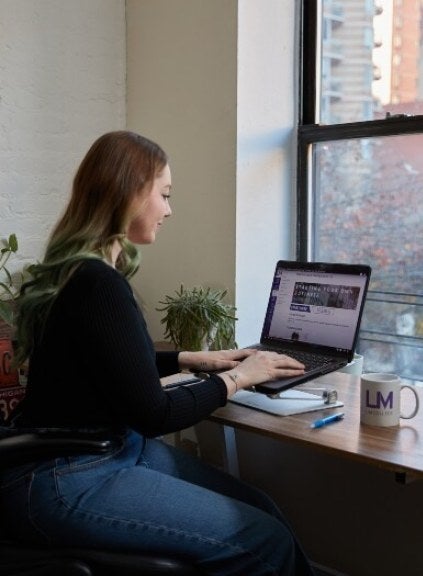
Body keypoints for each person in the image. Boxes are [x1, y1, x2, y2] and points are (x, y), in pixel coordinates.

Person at [0, 131, 315, 576]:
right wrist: (238, 378)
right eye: (164, 195)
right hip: (68, 474)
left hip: (96, 452)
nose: (169, 210)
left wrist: (189, 359)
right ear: (129, 193)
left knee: (260, 507)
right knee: (263, 540)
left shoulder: (77, 270)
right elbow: (153, 412)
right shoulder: (98, 284)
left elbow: (102, 364)